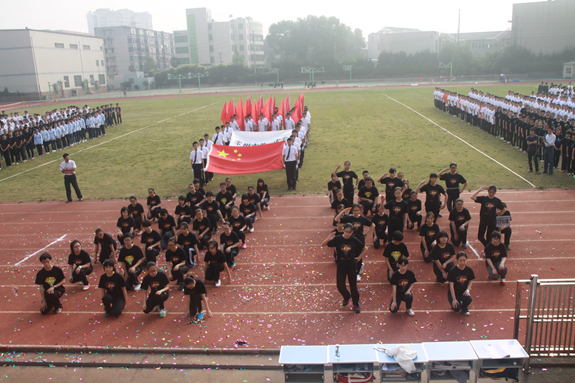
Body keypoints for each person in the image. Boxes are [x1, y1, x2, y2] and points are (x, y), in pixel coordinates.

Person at [322, 223, 367, 314]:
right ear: (343, 230)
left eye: (350, 232)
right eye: (346, 232)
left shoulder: (354, 240)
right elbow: (323, 244)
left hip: (351, 265)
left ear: (352, 232)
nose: (347, 234)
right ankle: (346, 296)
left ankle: (356, 303)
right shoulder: (338, 239)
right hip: (341, 265)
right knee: (340, 285)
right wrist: (328, 238)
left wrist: (359, 258)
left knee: (353, 286)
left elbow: (365, 248)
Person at [335, 204, 374, 281]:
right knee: (352, 255)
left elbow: (373, 225)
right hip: (350, 239)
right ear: (352, 211)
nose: (356, 212)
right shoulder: (349, 218)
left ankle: (357, 272)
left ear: (360, 211)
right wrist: (344, 211)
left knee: (359, 256)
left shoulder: (362, 218)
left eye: (358, 210)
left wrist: (366, 234)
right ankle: (353, 269)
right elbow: (336, 219)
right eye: (354, 210)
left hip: (359, 239)